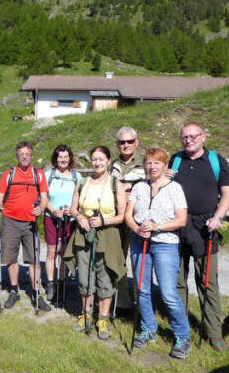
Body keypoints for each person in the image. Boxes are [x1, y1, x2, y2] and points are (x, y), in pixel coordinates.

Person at [167, 122, 229, 351]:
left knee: (208, 284)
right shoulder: (175, 160)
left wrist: (218, 217)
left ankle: (214, 334)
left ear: (203, 137)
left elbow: (227, 193)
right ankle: (181, 329)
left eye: (193, 136)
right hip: (177, 227)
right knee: (177, 282)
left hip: (206, 228)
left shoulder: (216, 161)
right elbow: (165, 190)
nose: (189, 140)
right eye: (184, 137)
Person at [125, 147, 191, 359]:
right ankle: (148, 329)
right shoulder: (139, 187)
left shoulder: (175, 188)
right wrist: (137, 229)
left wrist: (157, 227)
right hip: (139, 243)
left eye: (157, 163)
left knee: (168, 293)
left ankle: (182, 337)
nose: (152, 167)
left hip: (165, 244)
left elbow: (181, 220)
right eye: (149, 163)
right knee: (142, 289)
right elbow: (128, 215)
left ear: (165, 166)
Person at [71, 146, 126, 340]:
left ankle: (102, 318)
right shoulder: (82, 182)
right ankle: (85, 315)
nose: (97, 163)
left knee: (106, 277)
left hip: (108, 235)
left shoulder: (115, 184)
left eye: (101, 159)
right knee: (85, 277)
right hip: (84, 234)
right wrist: (79, 218)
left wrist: (104, 221)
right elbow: (73, 208)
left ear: (108, 160)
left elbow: (122, 216)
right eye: (94, 159)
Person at [0, 141, 51, 312]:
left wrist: (41, 207)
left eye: (27, 153)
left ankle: (36, 294)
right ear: (17, 157)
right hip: (10, 220)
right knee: (11, 259)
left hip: (30, 223)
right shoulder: (9, 174)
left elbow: (45, 198)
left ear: (31, 155)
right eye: (21, 154)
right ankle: (14, 291)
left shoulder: (38, 175)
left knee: (34, 260)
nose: (24, 156)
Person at [109, 126, 146, 311]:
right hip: (117, 220)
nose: (126, 145)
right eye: (122, 142)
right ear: (117, 144)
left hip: (138, 220)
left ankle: (142, 305)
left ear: (136, 142)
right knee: (118, 260)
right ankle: (122, 302)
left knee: (139, 262)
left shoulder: (147, 163)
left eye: (129, 141)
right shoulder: (112, 165)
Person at [43, 144, 82, 303]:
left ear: (70, 158)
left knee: (66, 253)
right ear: (55, 158)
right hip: (51, 218)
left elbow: (80, 198)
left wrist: (72, 210)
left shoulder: (76, 176)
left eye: (66, 156)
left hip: (69, 219)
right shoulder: (48, 175)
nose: (63, 159)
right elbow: (43, 198)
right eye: (60, 157)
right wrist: (53, 211)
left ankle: (62, 282)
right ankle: (51, 283)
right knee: (51, 252)